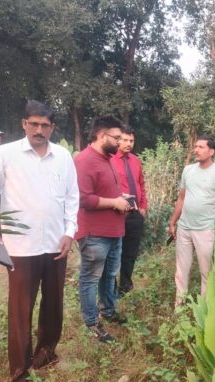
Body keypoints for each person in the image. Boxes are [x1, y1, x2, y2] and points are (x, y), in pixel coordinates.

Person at [0, 100, 79, 382]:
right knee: (21, 309)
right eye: (33, 124)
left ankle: (45, 354)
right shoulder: (6, 155)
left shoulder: (62, 156)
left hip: (55, 243)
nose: (38, 130)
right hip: (20, 245)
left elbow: (71, 198)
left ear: (52, 128)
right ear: (24, 124)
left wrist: (69, 233)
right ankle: (20, 376)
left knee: (54, 304)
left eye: (45, 125)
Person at [75, 116, 131, 343]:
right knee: (90, 278)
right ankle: (91, 321)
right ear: (101, 135)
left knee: (109, 275)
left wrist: (120, 199)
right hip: (94, 233)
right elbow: (83, 199)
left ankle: (108, 310)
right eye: (116, 137)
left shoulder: (107, 158)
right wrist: (114, 202)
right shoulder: (85, 160)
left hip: (113, 230)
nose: (120, 142)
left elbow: (104, 190)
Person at [168, 136, 215, 305]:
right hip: (184, 227)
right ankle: (179, 305)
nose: (196, 150)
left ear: (211, 151)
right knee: (181, 270)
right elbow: (182, 197)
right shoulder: (188, 170)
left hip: (205, 229)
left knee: (206, 271)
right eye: (195, 147)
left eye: (200, 147)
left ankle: (205, 307)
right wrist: (173, 221)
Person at [110, 125, 148, 297]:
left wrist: (143, 207)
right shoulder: (109, 159)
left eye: (131, 140)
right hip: (116, 215)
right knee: (113, 253)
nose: (128, 143)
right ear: (118, 140)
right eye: (125, 140)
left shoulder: (135, 160)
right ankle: (111, 289)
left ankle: (125, 286)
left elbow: (141, 185)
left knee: (130, 253)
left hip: (135, 214)